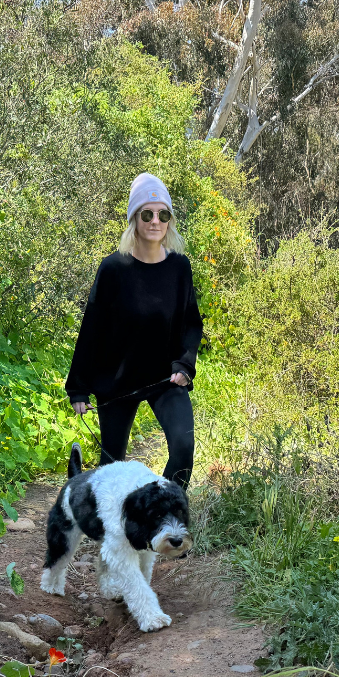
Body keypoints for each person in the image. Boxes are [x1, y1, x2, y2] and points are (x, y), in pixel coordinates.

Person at [65, 173, 203, 489]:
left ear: (169, 220)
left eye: (163, 214)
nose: (155, 221)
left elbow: (191, 323)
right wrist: (79, 387)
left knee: (183, 450)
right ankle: (105, 526)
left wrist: (185, 364)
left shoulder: (179, 267)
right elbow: (92, 329)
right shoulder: (113, 269)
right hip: (118, 382)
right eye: (147, 214)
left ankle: (162, 517)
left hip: (165, 380)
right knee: (111, 467)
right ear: (134, 219)